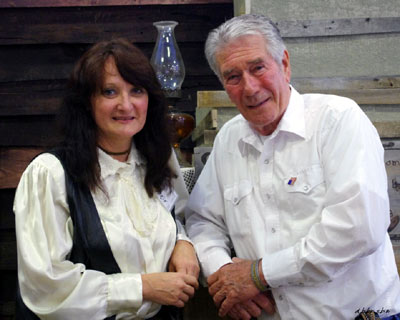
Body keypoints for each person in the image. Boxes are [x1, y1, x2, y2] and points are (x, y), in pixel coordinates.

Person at [185, 14, 400, 320]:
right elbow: (203, 222)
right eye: (232, 76)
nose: (249, 87)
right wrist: (226, 277)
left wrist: (259, 275)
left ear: (284, 64)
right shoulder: (228, 140)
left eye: (258, 68)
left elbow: (357, 229)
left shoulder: (337, 120)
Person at [14, 38, 199, 319]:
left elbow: (168, 218)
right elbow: (45, 286)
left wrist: (182, 243)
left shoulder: (158, 160)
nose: (126, 105)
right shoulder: (50, 174)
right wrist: (142, 288)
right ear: (87, 102)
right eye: (110, 92)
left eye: (136, 90)